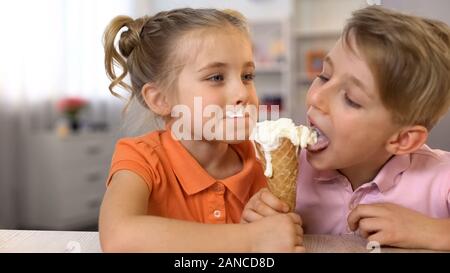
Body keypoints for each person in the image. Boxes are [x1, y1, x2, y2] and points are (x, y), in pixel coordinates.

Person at [242, 6, 450, 251]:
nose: (316, 97)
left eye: (351, 98)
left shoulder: (440, 178)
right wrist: (252, 228)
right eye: (324, 76)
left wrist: (435, 231)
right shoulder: (274, 169)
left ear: (403, 138)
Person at [99, 8, 304, 252]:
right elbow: (118, 237)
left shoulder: (263, 162)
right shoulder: (141, 158)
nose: (242, 93)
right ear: (160, 99)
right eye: (216, 77)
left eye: (247, 76)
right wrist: (249, 239)